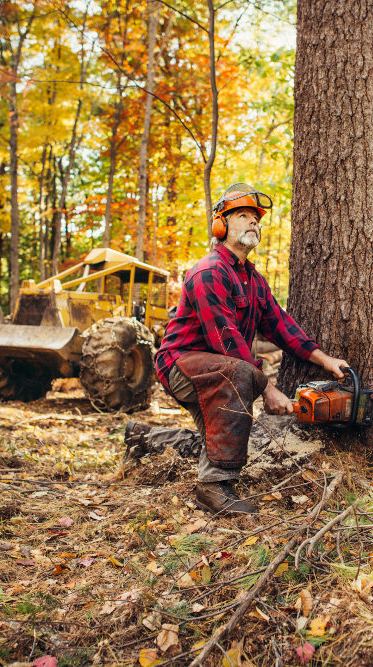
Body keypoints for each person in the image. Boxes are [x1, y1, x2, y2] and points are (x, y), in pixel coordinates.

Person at [122, 183, 348, 514]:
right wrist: (268, 388)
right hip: (182, 366)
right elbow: (226, 340)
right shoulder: (209, 271)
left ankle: (142, 438)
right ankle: (213, 489)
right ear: (221, 225)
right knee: (241, 374)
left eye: (256, 218)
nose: (253, 222)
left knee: (222, 438)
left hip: (216, 371)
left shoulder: (253, 279)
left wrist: (324, 359)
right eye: (243, 216)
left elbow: (281, 326)